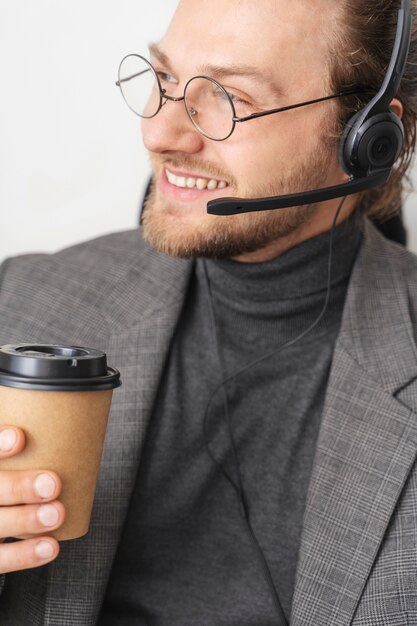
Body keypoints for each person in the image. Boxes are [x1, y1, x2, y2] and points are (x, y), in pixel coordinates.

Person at [0, 0, 416, 624]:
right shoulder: (25, 296)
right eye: (165, 81)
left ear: (367, 138)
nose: (159, 133)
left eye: (228, 98)